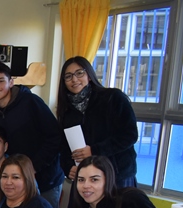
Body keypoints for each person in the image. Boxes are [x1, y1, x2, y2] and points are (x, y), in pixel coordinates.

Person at [0, 61, 65, 208]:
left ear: (11, 82)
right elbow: (0, 146)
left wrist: (33, 167)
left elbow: (55, 137)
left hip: (46, 180)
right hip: (18, 182)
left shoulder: (31, 102)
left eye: (1, 81)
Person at [57, 56, 139, 189]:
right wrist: (69, 168)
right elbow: (64, 149)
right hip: (87, 178)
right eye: (68, 76)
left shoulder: (113, 98)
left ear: (89, 75)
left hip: (117, 176)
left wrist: (95, 150)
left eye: (79, 73)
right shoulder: (66, 112)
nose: (74, 79)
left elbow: (129, 135)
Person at [70, 155, 166, 208]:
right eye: (81, 180)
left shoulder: (132, 199)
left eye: (94, 180)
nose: (86, 185)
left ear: (108, 180)